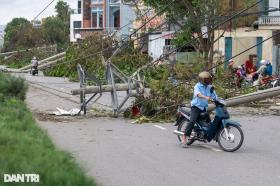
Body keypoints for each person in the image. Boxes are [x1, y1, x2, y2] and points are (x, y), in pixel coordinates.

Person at [181, 71, 218, 148]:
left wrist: (217, 99)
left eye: (209, 79)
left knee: (208, 123)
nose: (208, 81)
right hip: (196, 107)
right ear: (202, 80)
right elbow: (198, 94)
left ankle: (206, 135)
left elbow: (215, 97)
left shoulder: (210, 87)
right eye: (206, 80)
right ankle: (184, 137)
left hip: (204, 107)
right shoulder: (197, 86)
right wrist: (205, 97)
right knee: (192, 121)